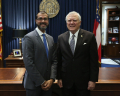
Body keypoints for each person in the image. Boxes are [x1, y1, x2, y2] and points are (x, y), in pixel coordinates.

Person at [57, 11, 99, 96]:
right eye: (69, 20)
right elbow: (58, 59)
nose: (71, 23)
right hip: (66, 81)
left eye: (74, 20)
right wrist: (59, 77)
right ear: (66, 23)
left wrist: (93, 80)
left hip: (84, 81)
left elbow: (94, 61)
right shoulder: (61, 38)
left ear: (80, 22)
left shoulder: (89, 36)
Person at [22, 11, 57, 96]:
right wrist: (41, 82)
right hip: (33, 85)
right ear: (36, 20)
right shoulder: (29, 38)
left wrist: (52, 79)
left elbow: (54, 60)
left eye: (45, 19)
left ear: (48, 21)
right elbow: (28, 63)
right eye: (40, 18)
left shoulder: (50, 39)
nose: (43, 21)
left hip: (48, 84)